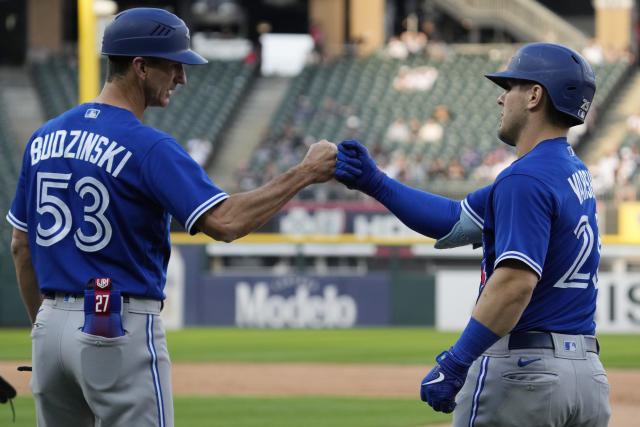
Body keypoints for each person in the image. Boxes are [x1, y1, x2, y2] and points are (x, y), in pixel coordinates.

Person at [6, 8, 336, 427]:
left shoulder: (43, 137)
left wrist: (46, 329)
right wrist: (305, 172)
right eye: (174, 65)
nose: (181, 78)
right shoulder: (148, 146)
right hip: (114, 323)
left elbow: (20, 246)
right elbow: (226, 222)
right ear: (141, 67)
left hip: (49, 327)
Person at [334, 42, 609, 426]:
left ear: (534, 96)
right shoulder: (570, 172)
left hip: (526, 374)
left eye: (510, 86)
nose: (501, 99)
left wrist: (457, 359)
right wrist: (375, 182)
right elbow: (453, 219)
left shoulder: (524, 178)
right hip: (586, 376)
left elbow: (514, 283)